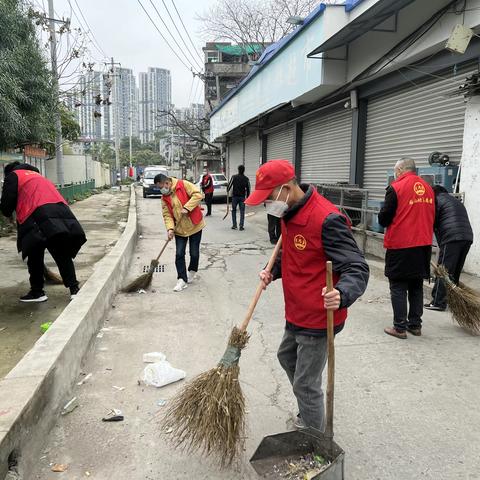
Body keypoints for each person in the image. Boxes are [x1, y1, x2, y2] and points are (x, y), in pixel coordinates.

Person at [246, 160, 369, 432]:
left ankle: (316, 442)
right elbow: (294, 255)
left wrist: (342, 293)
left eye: (269, 199)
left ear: (287, 189)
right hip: (296, 311)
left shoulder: (327, 219)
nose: (267, 205)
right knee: (286, 356)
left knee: (306, 383)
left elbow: (357, 266)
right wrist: (273, 270)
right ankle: (309, 410)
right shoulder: (289, 213)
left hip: (319, 316)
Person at [0, 162, 86, 302]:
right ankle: (74, 289)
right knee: (61, 253)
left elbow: (7, 205)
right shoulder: (37, 175)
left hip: (36, 214)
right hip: (60, 211)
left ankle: (37, 292)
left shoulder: (13, 176)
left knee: (34, 253)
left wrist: (7, 209)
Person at [378, 158, 435, 339]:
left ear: (401, 169)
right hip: (423, 244)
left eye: (396, 170)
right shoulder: (428, 188)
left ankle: (400, 327)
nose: (395, 173)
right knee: (416, 285)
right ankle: (415, 325)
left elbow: (384, 217)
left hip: (401, 245)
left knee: (398, 285)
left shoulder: (396, 187)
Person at [426, 185, 473, 311]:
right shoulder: (454, 201)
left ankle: (438, 302)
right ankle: (453, 301)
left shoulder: (437, 200)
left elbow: (433, 222)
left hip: (451, 237)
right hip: (467, 237)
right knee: (455, 271)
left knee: (443, 270)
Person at [154, 174, 205, 292]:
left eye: (161, 187)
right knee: (179, 254)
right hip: (179, 229)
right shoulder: (164, 198)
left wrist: (187, 207)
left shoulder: (183, 184)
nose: (161, 190)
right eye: (159, 188)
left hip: (195, 225)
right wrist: (170, 229)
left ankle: (192, 271)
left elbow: (198, 195)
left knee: (194, 253)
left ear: (167, 183)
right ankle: (182, 279)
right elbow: (167, 215)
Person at [227, 164, 250, 231]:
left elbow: (229, 186)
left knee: (233, 211)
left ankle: (234, 225)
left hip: (235, 197)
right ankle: (241, 226)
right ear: (244, 170)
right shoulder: (246, 179)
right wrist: (248, 197)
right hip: (242, 197)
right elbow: (248, 188)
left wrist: (227, 189)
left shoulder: (234, 177)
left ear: (238, 170)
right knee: (242, 212)